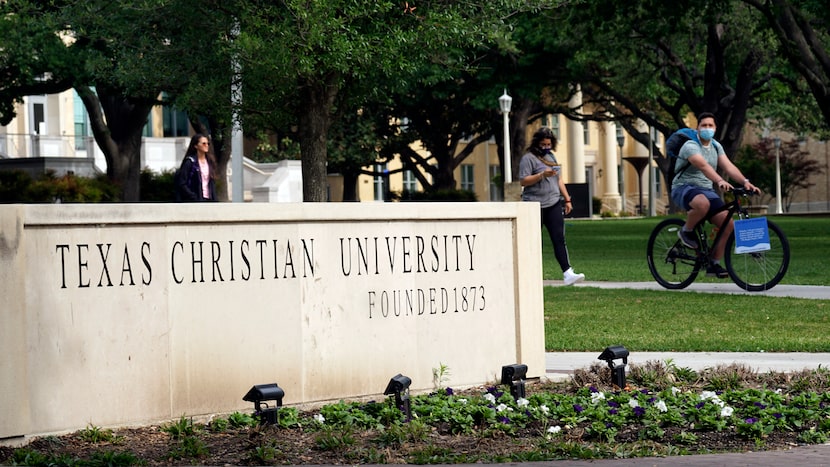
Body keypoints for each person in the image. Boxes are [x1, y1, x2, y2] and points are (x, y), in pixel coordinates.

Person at [671, 112, 760, 278]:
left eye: (710, 126)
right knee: (702, 204)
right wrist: (719, 181)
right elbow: (703, 166)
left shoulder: (716, 146)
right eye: (703, 125)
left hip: (706, 190)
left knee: (729, 224)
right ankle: (686, 231)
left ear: (715, 128)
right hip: (684, 187)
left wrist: (745, 182)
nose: (707, 129)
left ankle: (713, 264)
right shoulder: (690, 146)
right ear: (697, 128)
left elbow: (729, 167)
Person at [519, 127, 585, 286]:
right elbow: (523, 181)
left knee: (559, 239)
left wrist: (567, 199)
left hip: (554, 203)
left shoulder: (551, 157)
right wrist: (541, 175)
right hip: (534, 205)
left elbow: (559, 180)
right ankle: (528, 274)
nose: (546, 147)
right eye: (543, 144)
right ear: (537, 143)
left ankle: (568, 273)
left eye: (549, 144)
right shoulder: (528, 159)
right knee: (533, 241)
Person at [176, 133, 218, 202]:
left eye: (208, 143)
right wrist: (193, 196)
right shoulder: (190, 162)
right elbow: (182, 183)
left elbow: (211, 183)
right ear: (196, 145)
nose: (206, 145)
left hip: (209, 200)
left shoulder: (210, 162)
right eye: (203, 143)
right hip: (196, 200)